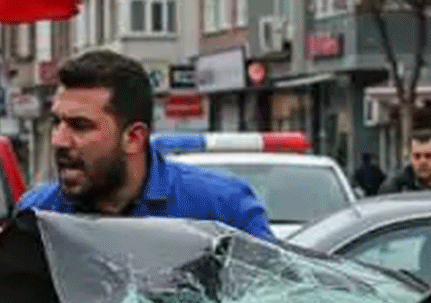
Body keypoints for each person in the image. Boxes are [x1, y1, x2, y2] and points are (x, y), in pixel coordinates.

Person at [17, 50, 274, 240]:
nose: (59, 140)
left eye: (80, 126)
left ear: (133, 138)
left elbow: (273, 291)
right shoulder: (38, 213)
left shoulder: (222, 208)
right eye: (57, 123)